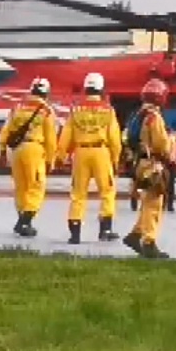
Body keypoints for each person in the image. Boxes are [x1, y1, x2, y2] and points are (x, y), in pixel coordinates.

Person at [57, 72, 123, 245]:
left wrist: (61, 155)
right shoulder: (108, 110)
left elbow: (66, 136)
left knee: (78, 194)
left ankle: (75, 233)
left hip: (81, 152)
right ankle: (105, 230)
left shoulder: (76, 110)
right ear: (101, 89)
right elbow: (114, 138)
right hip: (101, 152)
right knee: (107, 192)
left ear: (86, 88)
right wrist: (116, 159)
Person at [0, 77, 57, 238]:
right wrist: (51, 159)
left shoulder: (17, 107)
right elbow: (50, 138)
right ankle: (24, 221)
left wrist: (2, 151)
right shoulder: (46, 110)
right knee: (36, 186)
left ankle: (24, 222)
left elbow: (6, 129)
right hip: (34, 149)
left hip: (17, 151)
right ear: (46, 93)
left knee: (21, 187)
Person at [122, 78, 174, 259]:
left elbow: (128, 139)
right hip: (152, 165)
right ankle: (149, 242)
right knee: (154, 203)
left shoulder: (137, 115)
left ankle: (136, 235)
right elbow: (161, 145)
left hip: (139, 164)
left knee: (147, 201)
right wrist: (171, 146)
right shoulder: (155, 118)